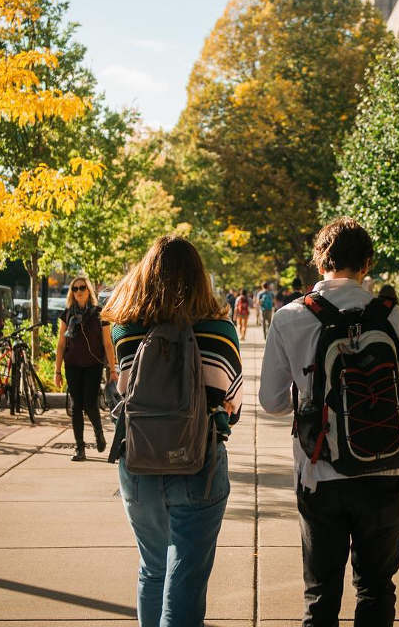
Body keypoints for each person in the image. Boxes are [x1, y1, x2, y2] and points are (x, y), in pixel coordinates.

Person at [259, 217, 399, 627]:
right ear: (367, 263)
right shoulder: (391, 315)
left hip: (320, 473)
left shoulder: (289, 317)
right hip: (385, 470)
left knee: (320, 597)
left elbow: (270, 401)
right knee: (376, 589)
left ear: (320, 262)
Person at [103, 236, 242, 627]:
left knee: (153, 569)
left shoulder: (126, 332)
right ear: (199, 278)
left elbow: (123, 390)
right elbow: (234, 404)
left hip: (139, 460)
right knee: (186, 578)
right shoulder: (219, 330)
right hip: (199, 462)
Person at [54, 275, 118, 462]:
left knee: (90, 404)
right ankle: (80, 448)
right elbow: (61, 344)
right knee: (76, 407)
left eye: (82, 288)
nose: (79, 291)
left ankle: (98, 432)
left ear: (89, 290)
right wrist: (57, 371)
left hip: (93, 365)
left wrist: (113, 370)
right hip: (72, 365)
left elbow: (107, 344)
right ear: (72, 293)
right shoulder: (67, 315)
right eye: (75, 289)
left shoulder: (100, 313)